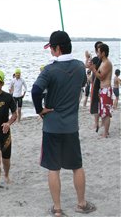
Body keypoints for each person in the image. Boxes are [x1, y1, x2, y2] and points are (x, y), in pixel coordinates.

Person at [32, 30, 96, 216]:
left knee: (54, 168)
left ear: (58, 48)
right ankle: (81, 204)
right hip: (71, 127)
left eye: (51, 48)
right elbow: (83, 82)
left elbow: (36, 91)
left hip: (52, 127)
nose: (50, 51)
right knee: (77, 166)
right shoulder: (78, 66)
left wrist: (39, 110)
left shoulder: (49, 69)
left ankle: (58, 209)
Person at [88, 43, 113, 138]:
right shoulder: (102, 62)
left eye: (98, 52)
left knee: (106, 113)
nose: (97, 54)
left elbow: (101, 77)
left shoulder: (107, 63)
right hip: (102, 90)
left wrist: (94, 69)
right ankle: (105, 131)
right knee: (103, 111)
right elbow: (97, 74)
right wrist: (92, 68)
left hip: (106, 89)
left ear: (103, 53)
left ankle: (106, 133)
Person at [85, 41, 103, 132]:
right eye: (99, 48)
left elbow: (88, 66)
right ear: (96, 50)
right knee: (96, 104)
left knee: (101, 104)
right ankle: (97, 123)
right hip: (95, 83)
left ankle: (99, 123)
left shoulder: (104, 60)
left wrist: (88, 58)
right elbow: (87, 66)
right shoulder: (96, 59)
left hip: (101, 83)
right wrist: (88, 58)